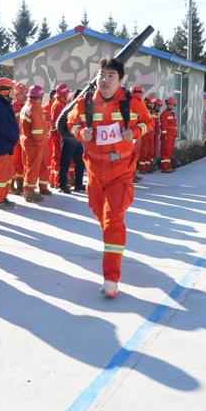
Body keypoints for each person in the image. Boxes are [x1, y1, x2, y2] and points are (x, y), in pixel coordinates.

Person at [66, 58, 150, 298]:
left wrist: (134, 131)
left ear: (120, 80)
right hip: (94, 171)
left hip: (120, 172)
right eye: (102, 75)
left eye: (111, 76)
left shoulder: (132, 103)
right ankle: (115, 241)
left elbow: (147, 122)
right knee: (99, 213)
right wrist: (81, 132)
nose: (105, 80)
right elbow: (71, 122)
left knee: (112, 220)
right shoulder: (86, 102)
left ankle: (111, 278)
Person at [0, 78, 20, 209]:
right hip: (0, 145)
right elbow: (4, 127)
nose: (13, 93)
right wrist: (14, 137)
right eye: (11, 90)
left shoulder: (2, 103)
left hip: (5, 144)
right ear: (4, 91)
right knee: (1, 174)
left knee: (6, 173)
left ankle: (3, 197)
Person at [20, 85, 50, 202]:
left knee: (32, 166)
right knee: (33, 167)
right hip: (35, 142)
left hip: (28, 140)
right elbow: (37, 129)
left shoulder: (27, 106)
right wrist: (39, 141)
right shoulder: (34, 108)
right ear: (40, 97)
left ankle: (35, 188)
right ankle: (29, 192)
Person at [58, 88, 87, 194]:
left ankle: (78, 184)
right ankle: (62, 185)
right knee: (65, 163)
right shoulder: (70, 108)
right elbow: (61, 124)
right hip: (69, 139)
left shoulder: (81, 108)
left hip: (77, 140)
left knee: (80, 162)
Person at [48, 83, 70, 188]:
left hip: (60, 134)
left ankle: (54, 180)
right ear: (64, 94)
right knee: (57, 158)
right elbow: (57, 122)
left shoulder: (61, 104)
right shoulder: (58, 105)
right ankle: (56, 181)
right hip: (58, 135)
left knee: (58, 157)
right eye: (67, 93)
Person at [10, 82, 27, 194]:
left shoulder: (25, 106)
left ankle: (20, 186)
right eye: (23, 93)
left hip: (23, 138)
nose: (25, 95)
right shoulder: (12, 106)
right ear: (16, 94)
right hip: (14, 139)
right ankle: (11, 186)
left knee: (22, 162)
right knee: (13, 162)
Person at [160, 97, 178, 173]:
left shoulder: (171, 114)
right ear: (167, 105)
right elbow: (163, 127)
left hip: (171, 136)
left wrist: (175, 136)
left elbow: (173, 126)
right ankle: (164, 168)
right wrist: (165, 136)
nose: (171, 106)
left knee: (169, 152)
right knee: (166, 152)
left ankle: (168, 166)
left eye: (173, 105)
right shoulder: (164, 114)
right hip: (167, 137)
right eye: (170, 104)